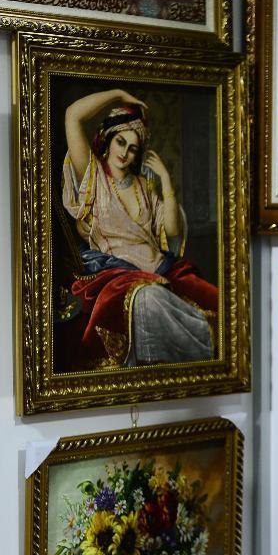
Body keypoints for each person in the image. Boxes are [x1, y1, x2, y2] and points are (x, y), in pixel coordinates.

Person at [58, 89, 218, 369]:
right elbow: (72, 115)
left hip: (163, 271)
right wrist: (118, 94)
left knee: (219, 306)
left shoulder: (146, 187)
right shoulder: (93, 178)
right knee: (148, 298)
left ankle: (211, 357)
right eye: (121, 142)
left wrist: (166, 182)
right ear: (108, 141)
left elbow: (170, 229)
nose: (125, 153)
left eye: (132, 148)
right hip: (119, 275)